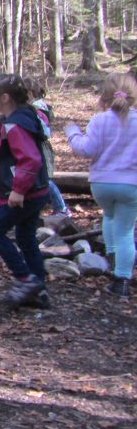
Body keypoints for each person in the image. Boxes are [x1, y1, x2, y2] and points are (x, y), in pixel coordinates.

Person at [65, 72, 137, 299]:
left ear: (104, 97)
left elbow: (86, 149)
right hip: (130, 185)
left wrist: (72, 133)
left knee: (109, 216)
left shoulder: (100, 120)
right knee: (125, 230)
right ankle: (121, 279)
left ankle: (112, 256)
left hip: (101, 184)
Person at [0, 74, 51, 308]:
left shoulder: (16, 124)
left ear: (4, 98)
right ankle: (38, 290)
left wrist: (18, 190)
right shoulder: (16, 117)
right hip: (36, 191)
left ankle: (25, 279)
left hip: (27, 194)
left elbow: (31, 160)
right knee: (25, 237)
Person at [25, 77, 71, 218]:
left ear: (30, 93)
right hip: (35, 148)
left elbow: (45, 132)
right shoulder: (36, 107)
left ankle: (61, 208)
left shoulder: (37, 109)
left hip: (41, 150)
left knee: (45, 179)